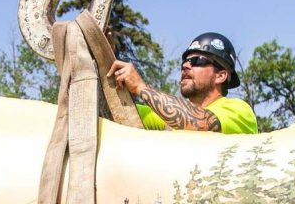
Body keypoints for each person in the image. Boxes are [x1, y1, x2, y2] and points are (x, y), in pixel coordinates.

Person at [108, 32, 257, 134]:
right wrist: (104, 62)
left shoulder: (240, 111)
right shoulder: (167, 118)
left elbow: (201, 122)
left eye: (197, 61)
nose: (186, 66)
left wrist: (141, 87)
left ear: (221, 75)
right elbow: (116, 110)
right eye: (184, 62)